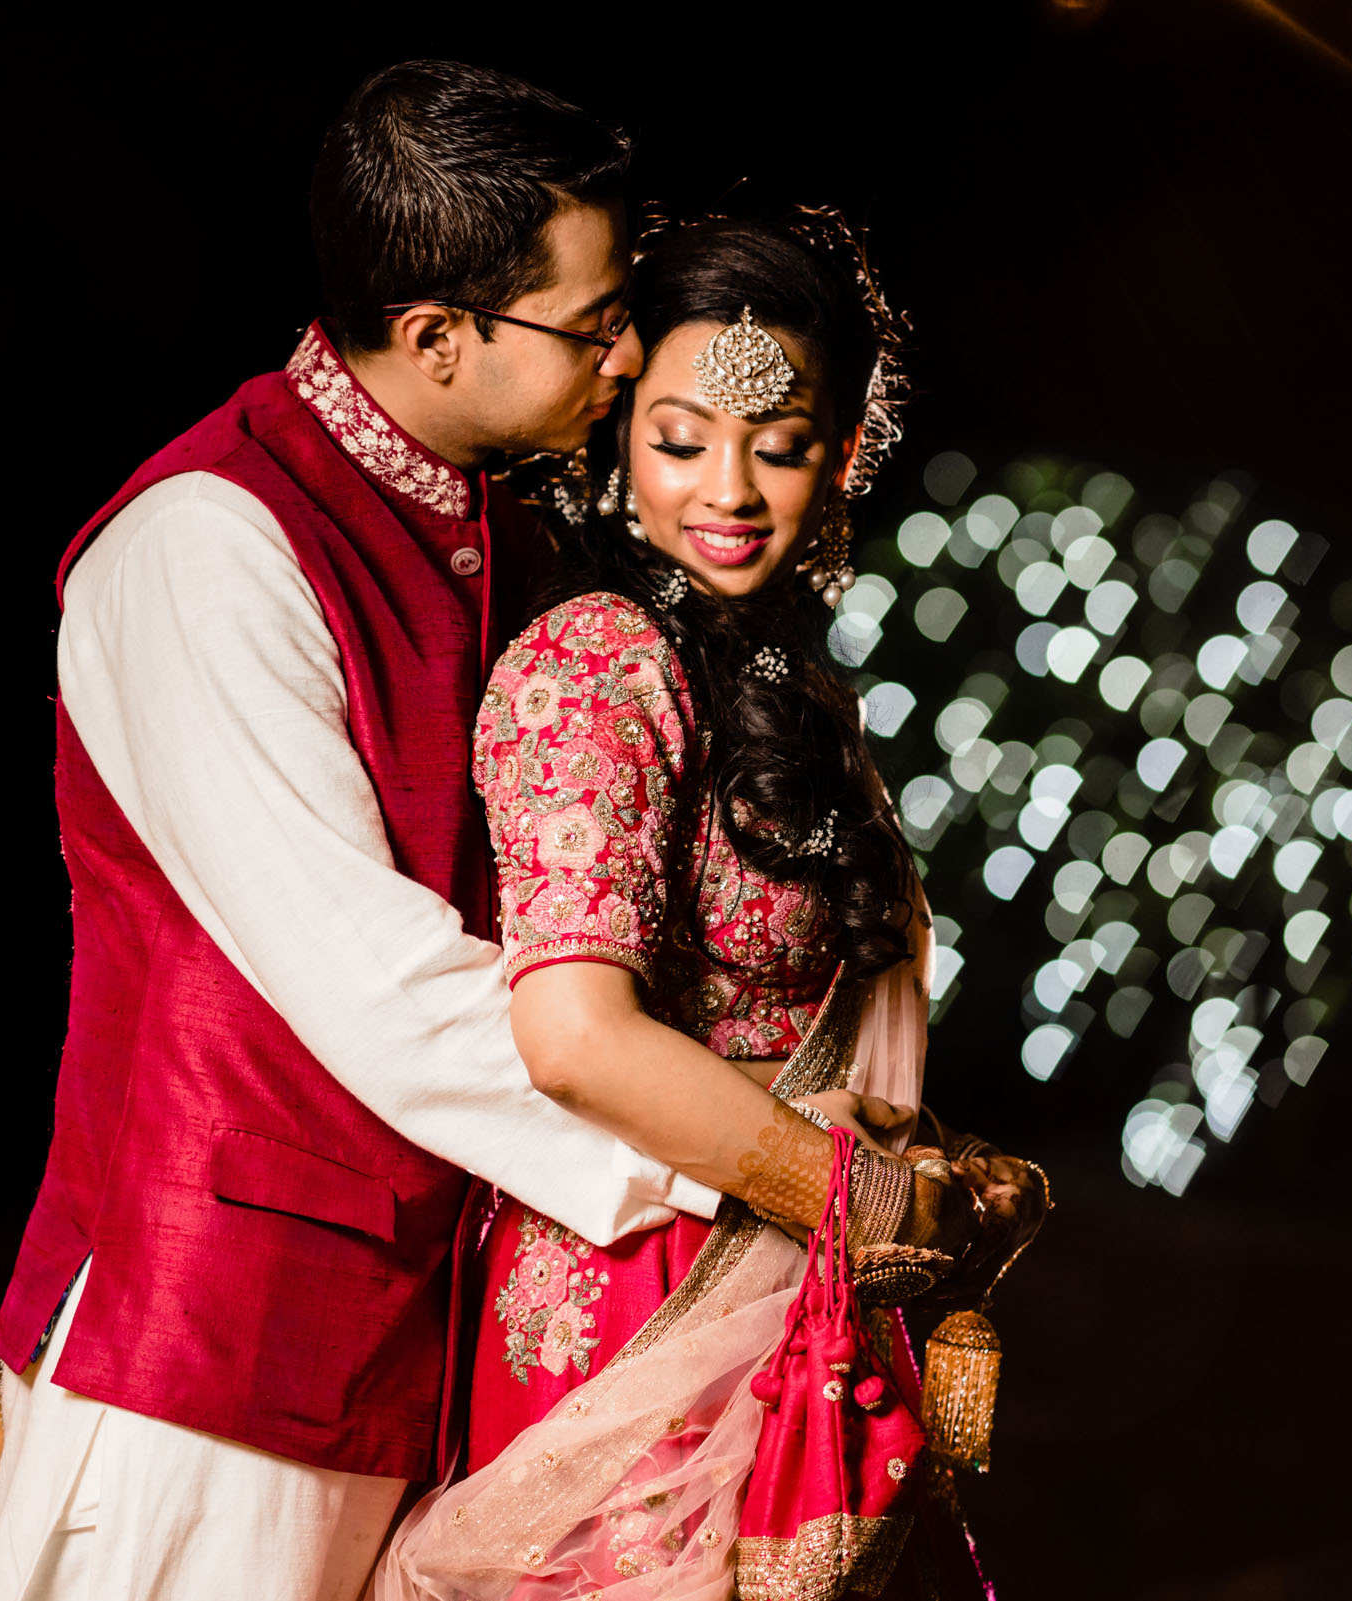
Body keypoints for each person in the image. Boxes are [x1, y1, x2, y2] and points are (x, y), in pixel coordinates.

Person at [0, 62, 1010, 1601]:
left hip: (437, 1347)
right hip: (206, 1356)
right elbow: (382, 988)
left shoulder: (499, 536)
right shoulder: (206, 544)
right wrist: (785, 1171)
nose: (623, 357)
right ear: (439, 335)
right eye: (594, 328)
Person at [374, 212, 1040, 1601]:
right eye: (679, 440)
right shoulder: (597, 664)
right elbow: (574, 1039)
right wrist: (850, 1184)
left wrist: (945, 1173)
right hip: (643, 1323)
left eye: (778, 442)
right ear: (614, 440)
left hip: (808, 1317)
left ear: (844, 448)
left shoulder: (793, 687)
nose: (726, 488)